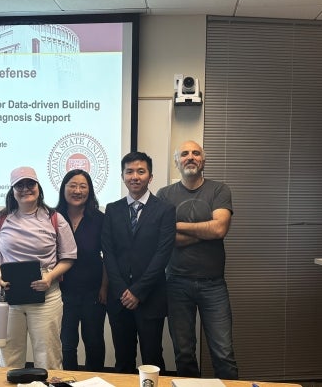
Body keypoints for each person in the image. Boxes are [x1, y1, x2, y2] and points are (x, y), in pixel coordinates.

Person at [0, 169, 108, 371]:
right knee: (10, 356)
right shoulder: (0, 219)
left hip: (49, 295)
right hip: (9, 296)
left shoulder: (54, 218)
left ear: (38, 187)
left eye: (30, 184)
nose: (25, 189)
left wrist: (50, 276)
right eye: (19, 185)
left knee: (49, 357)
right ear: (12, 190)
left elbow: (70, 256)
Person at [155, 140, 238, 379]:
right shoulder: (164, 194)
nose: (190, 157)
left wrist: (178, 225)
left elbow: (220, 229)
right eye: (184, 154)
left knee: (223, 352)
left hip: (213, 285)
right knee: (183, 353)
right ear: (176, 162)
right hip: (176, 283)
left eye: (195, 153)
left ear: (203, 160)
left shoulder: (220, 190)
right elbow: (165, 239)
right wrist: (206, 232)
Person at [101, 151, 176, 374]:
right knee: (123, 360)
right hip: (119, 298)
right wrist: (123, 290)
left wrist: (138, 291)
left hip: (151, 296)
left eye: (141, 171)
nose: (135, 176)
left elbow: (163, 254)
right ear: (123, 176)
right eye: (130, 171)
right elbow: (108, 253)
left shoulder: (165, 210)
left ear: (150, 177)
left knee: (153, 358)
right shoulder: (112, 210)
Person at [55, 170, 108, 371]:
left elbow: (108, 256)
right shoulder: (51, 217)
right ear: (64, 188)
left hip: (93, 291)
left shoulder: (100, 219)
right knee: (67, 344)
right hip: (61, 292)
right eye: (72, 185)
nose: (77, 190)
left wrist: (104, 287)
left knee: (94, 342)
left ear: (90, 190)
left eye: (83, 186)